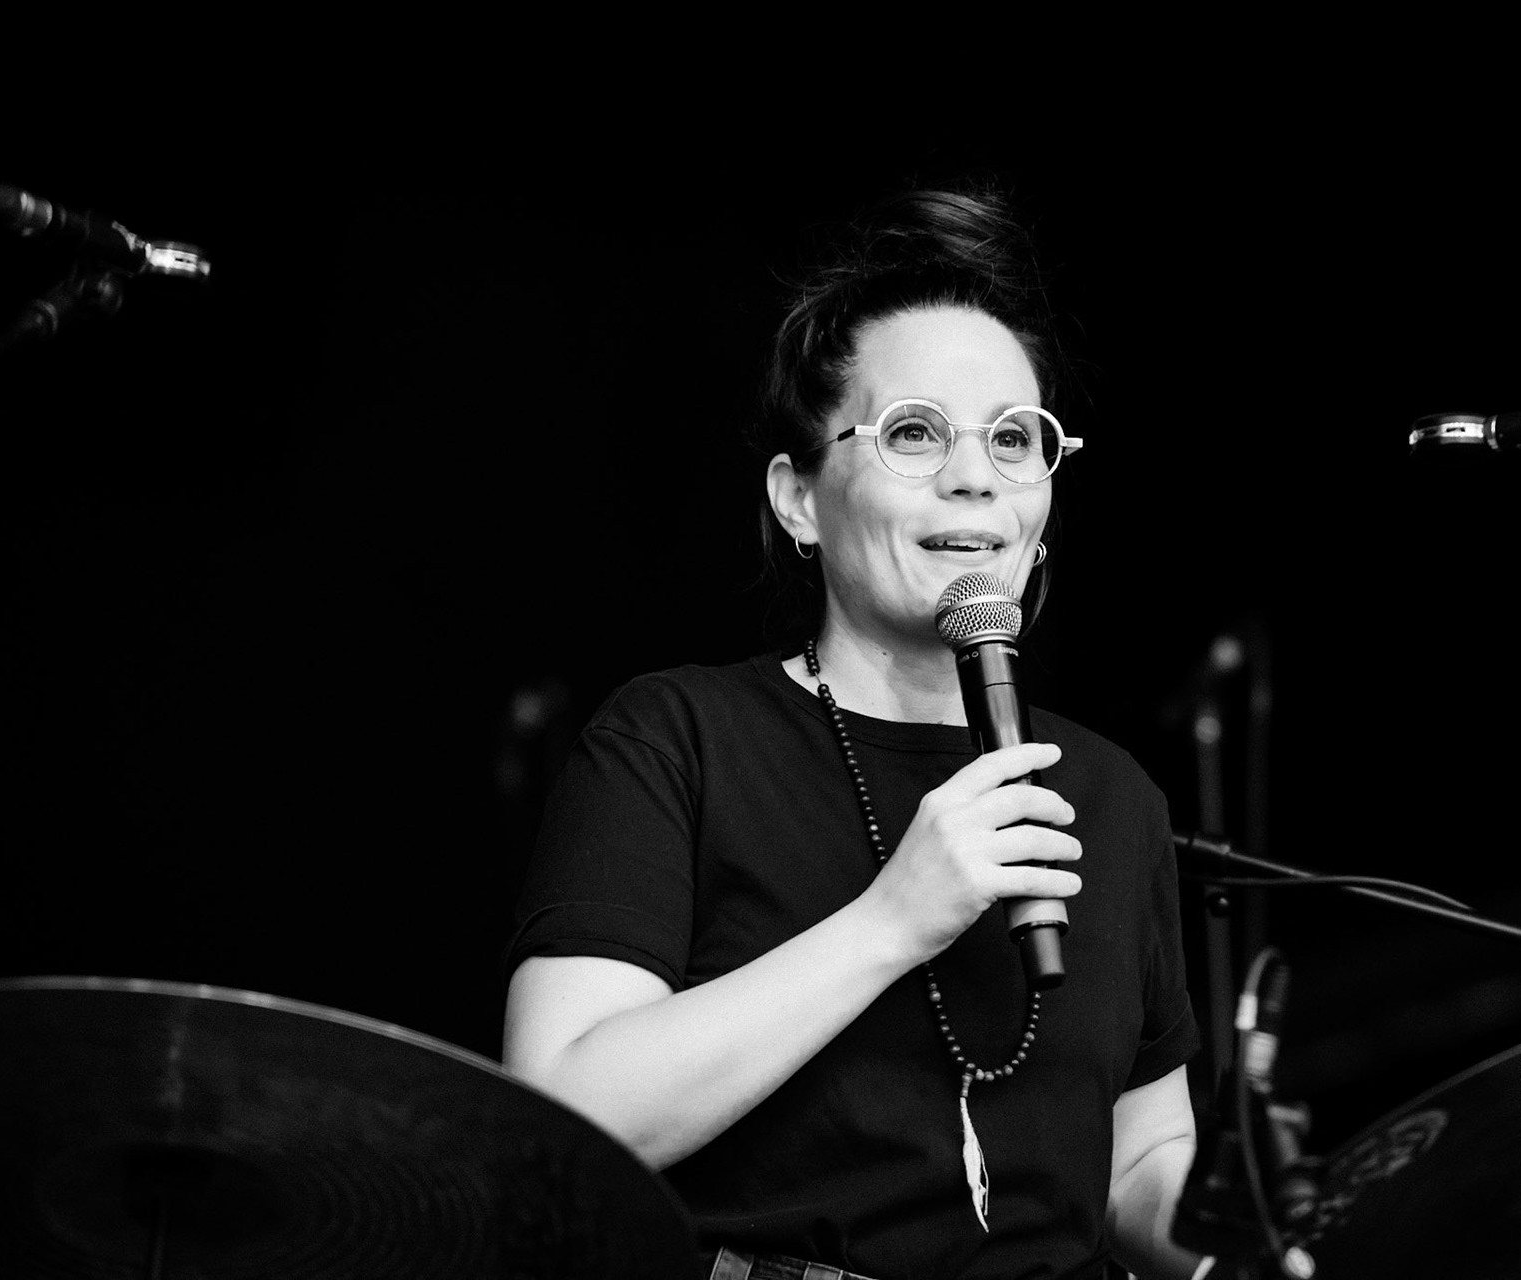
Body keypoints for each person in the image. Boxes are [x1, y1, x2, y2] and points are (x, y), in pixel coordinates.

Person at [502, 185, 1208, 1280]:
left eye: (1016, 439)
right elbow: (565, 1112)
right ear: (797, 497)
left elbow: (1136, 1161)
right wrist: (893, 919)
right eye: (915, 432)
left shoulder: (1112, 794)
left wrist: (1246, 1237)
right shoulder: (677, 739)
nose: (976, 474)